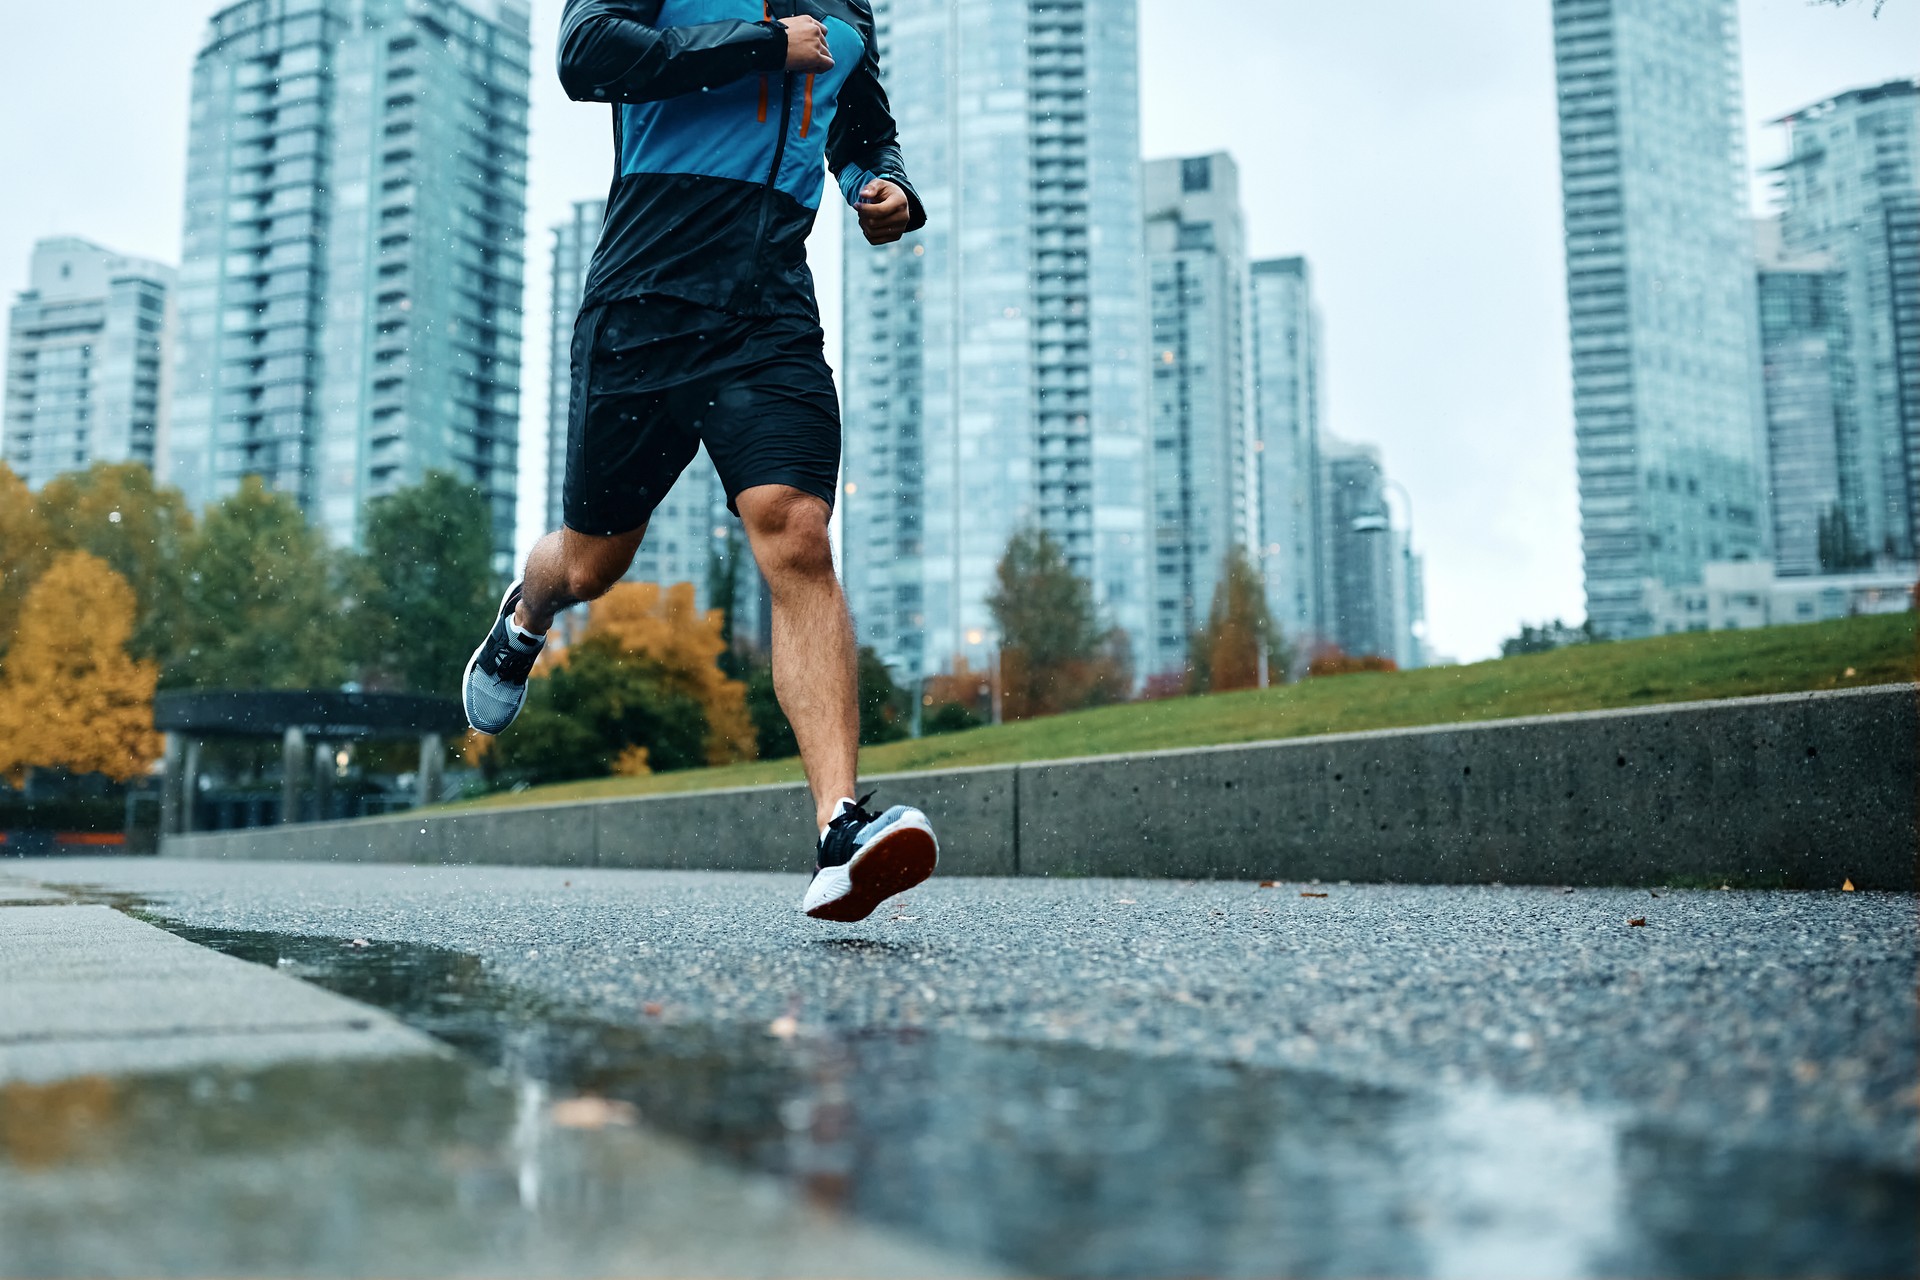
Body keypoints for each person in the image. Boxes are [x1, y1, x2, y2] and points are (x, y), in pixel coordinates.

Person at [462, 0, 935, 922]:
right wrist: (762, 45)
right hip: (644, 306)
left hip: (767, 314)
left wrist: (885, 184)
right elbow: (586, 54)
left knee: (797, 532)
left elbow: (861, 119)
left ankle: (840, 831)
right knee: (594, 561)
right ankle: (527, 612)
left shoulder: (847, 5)